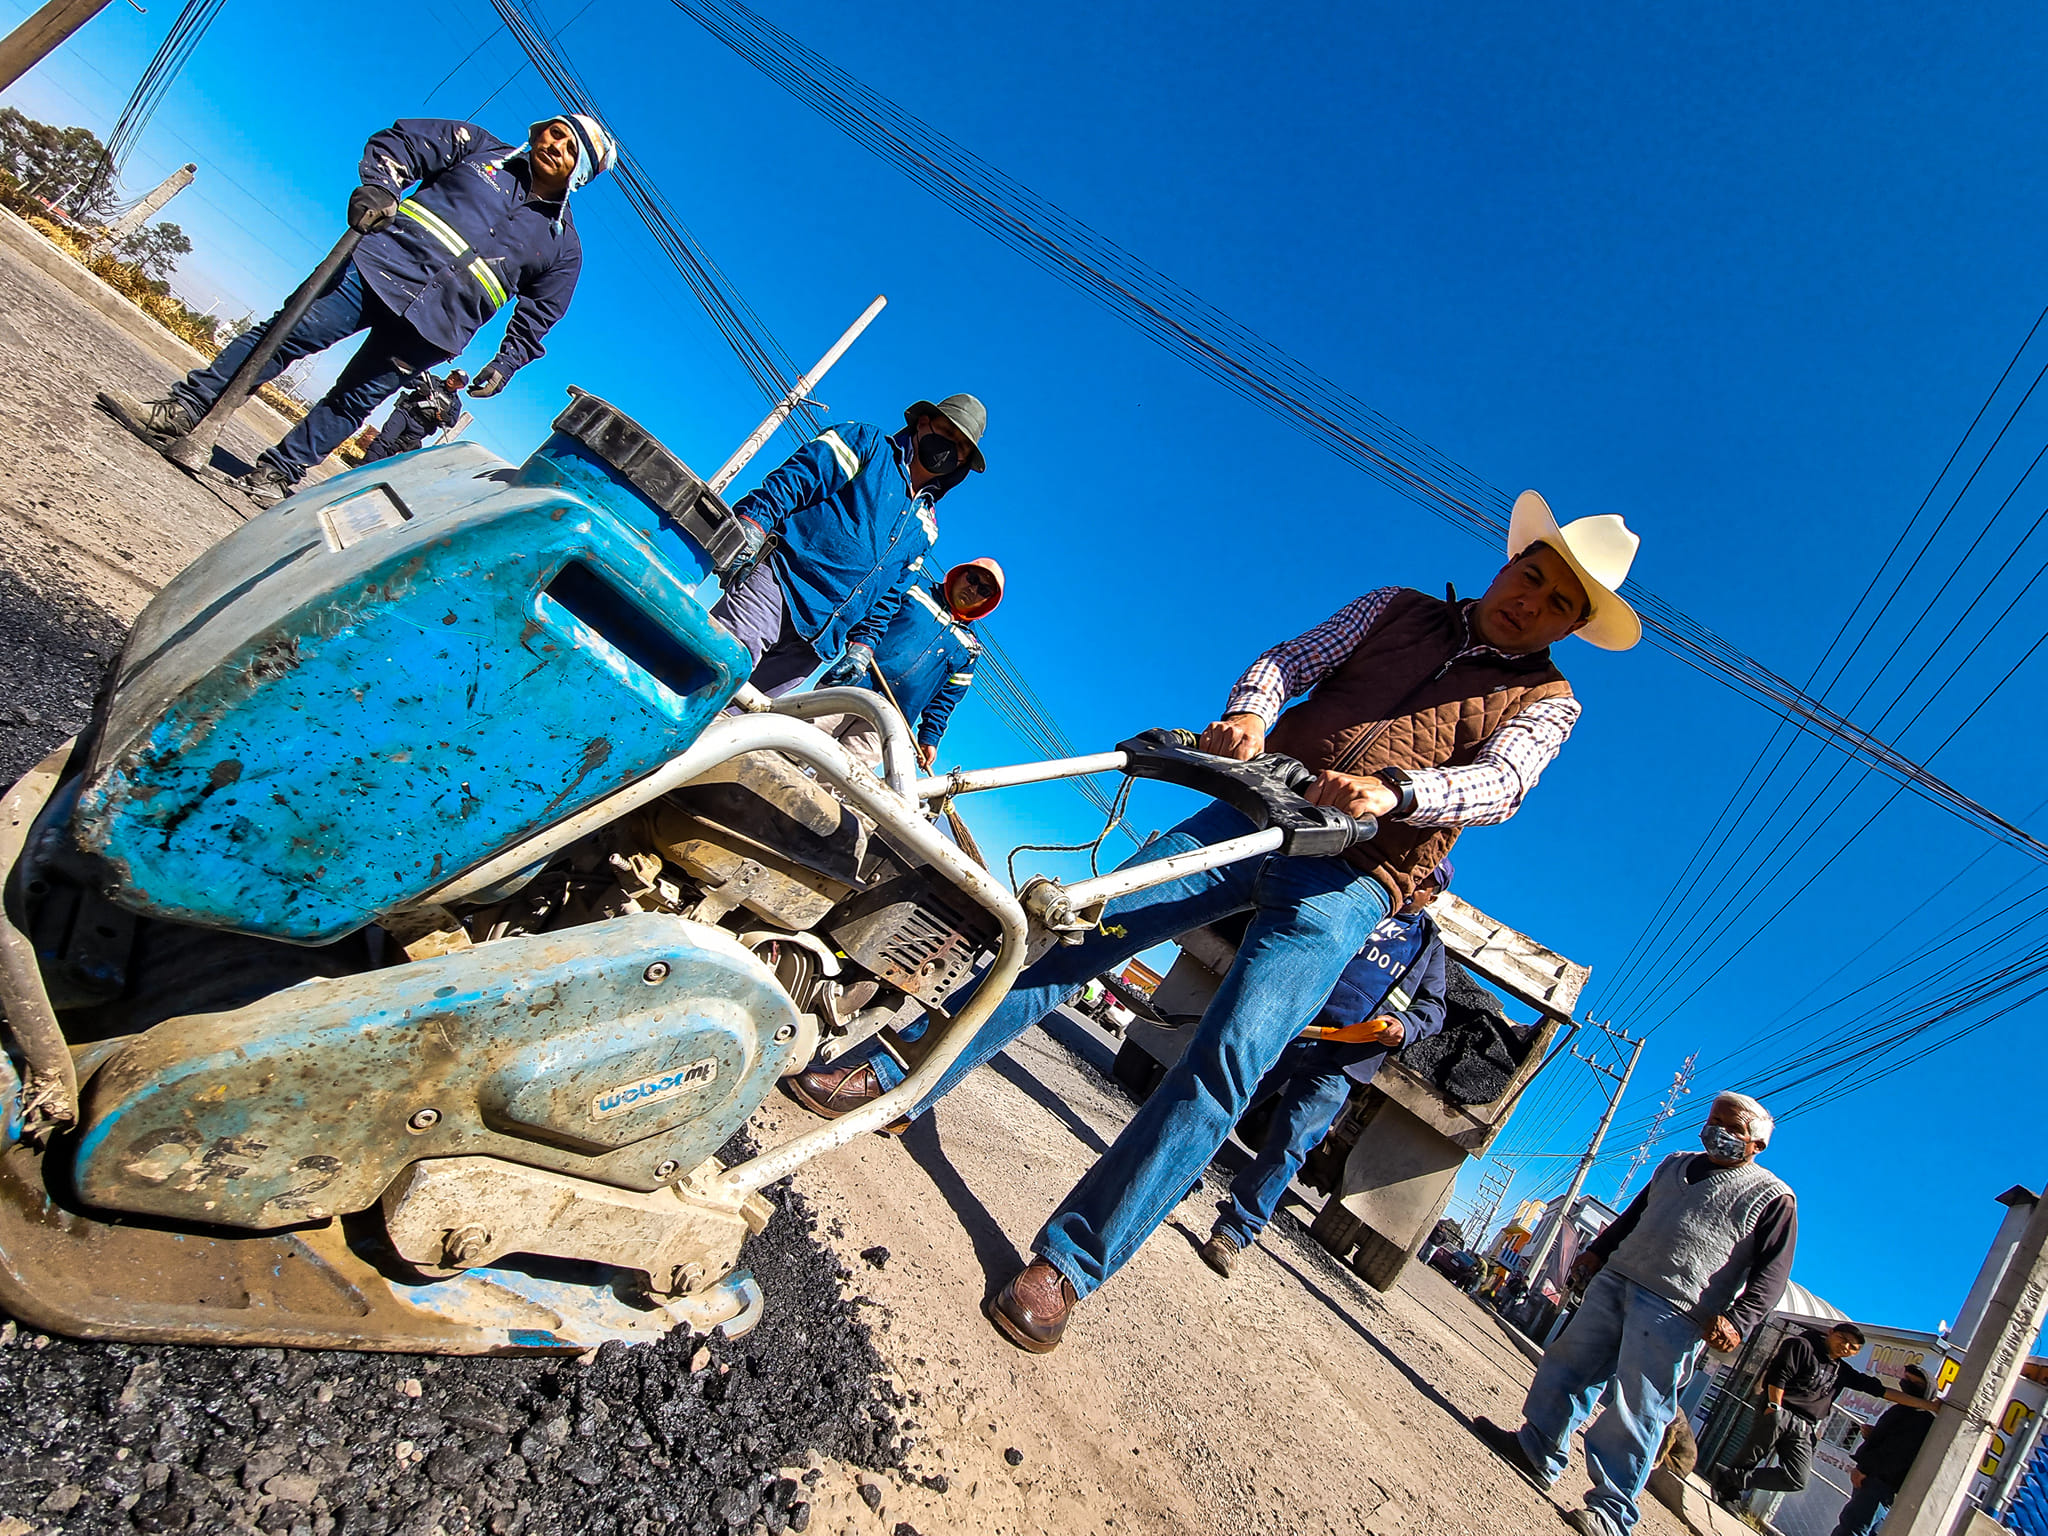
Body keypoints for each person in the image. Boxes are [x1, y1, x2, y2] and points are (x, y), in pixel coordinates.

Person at [789, 491, 1643, 1356]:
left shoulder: (1549, 699)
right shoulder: (1400, 607)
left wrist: (1398, 793)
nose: (1531, 601)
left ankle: (1071, 1264)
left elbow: (1503, 783)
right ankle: (897, 1073)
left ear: (1571, 627)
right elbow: (1293, 657)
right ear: (1508, 564)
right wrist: (1249, 712)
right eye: (1529, 577)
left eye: (1558, 604)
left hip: (1356, 871)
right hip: (1259, 801)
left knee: (1229, 1059)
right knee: (1082, 931)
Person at [126, 113, 612, 504]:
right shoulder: (479, 147)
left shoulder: (562, 246)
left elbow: (540, 315)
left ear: (581, 173)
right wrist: (381, 186)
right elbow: (402, 142)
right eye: (555, 133)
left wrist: (505, 364)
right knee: (283, 337)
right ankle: (185, 411)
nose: (555, 146)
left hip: (434, 329)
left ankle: (277, 472)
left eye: (571, 149)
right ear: (539, 130)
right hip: (373, 270)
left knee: (353, 400)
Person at [1472, 1092, 1796, 1536]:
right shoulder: (1674, 1164)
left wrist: (1739, 1321)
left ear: (1756, 1145)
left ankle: (1611, 1512)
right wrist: (1595, 1253)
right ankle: (1537, 1449)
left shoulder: (1775, 1197)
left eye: (1731, 1127)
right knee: (1567, 1367)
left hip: (1676, 1310)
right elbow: (1632, 1217)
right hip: (1617, 1279)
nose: (1716, 1131)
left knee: (1638, 1409)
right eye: (1713, 1120)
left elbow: (1771, 1274)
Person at [1197, 858, 1452, 1279]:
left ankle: (1233, 1233)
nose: (1411, 886)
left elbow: (1434, 1008)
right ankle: (1180, 1175)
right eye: (1414, 876)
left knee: (1290, 1145)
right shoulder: (1364, 901)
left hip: (1343, 1059)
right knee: (1224, 1098)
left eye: (1423, 884)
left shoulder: (1428, 946)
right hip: (1289, 1023)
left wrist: (1404, 1026)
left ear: (1432, 897)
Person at [708, 396, 989, 698]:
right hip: (778, 585)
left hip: (820, 639)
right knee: (711, 673)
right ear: (923, 422)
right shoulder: (867, 443)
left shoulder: (927, 527)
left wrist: (863, 647)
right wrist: (754, 523)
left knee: (738, 714)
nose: (950, 448)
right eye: (947, 433)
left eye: (960, 447)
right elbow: (799, 479)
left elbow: (891, 593)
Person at [1712, 1323, 1937, 1508]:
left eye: (1852, 1347)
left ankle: (1729, 1478)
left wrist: (1929, 1405)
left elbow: (1882, 1391)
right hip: (1781, 1412)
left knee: (1796, 1478)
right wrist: (1774, 1407)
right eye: (1843, 1339)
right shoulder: (1801, 1345)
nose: (1845, 1347)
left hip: (1805, 1425)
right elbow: (1779, 1374)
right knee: (1751, 1456)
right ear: (1831, 1333)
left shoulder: (1842, 1371)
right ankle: (1729, 1494)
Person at [811, 557, 1004, 770]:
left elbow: (946, 698)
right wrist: (861, 646)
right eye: (972, 578)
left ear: (988, 602)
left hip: (889, 721)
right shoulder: (914, 587)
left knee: (843, 779)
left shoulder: (970, 648)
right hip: (851, 684)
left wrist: (930, 737)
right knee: (797, 742)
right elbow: (876, 614)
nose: (974, 589)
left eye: (984, 591)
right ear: (959, 574)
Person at [1828, 1363, 1937, 1536]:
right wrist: (1874, 1434)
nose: (1906, 1384)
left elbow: (1897, 1454)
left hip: (1879, 1483)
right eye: (1906, 1379)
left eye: (1914, 1383)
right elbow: (1891, 1442)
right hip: (1878, 1484)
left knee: (1851, 1528)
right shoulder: (1903, 1410)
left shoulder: (1921, 1419)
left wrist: (1864, 1469)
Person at [360, 368, 468, 462]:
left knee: (393, 448)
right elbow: (408, 381)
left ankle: (373, 472)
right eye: (453, 375)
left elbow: (452, 422)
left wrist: (445, 418)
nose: (453, 378)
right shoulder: (433, 381)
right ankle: (363, 467)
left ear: (461, 386)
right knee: (385, 439)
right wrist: (420, 385)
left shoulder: (455, 403)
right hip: (406, 413)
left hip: (420, 429)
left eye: (457, 379)